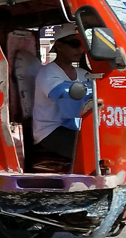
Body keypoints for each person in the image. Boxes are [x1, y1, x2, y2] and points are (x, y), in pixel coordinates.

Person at [32, 23, 93, 160]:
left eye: (83, 44)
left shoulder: (83, 73)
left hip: (75, 126)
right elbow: (67, 98)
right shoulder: (48, 74)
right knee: (92, 150)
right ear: (59, 45)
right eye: (75, 44)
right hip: (51, 131)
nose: (81, 50)